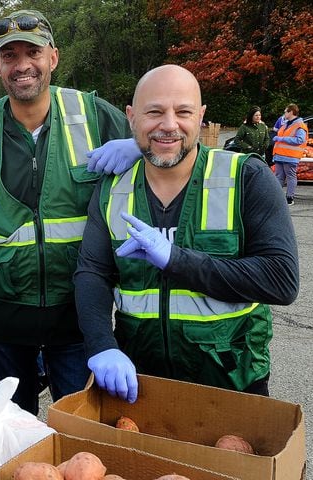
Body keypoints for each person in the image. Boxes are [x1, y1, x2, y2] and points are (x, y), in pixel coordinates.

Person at [0, 9, 132, 415]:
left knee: (80, 435)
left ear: (53, 58)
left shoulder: (93, 115)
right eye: (10, 56)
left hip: (79, 317)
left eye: (32, 53)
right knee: (14, 438)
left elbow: (164, 161)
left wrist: (140, 148)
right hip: (1, 320)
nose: (22, 65)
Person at [74, 65, 299, 404]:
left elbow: (281, 281)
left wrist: (176, 259)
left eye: (183, 112)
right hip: (140, 383)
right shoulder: (112, 188)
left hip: (232, 382)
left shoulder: (247, 177)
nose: (168, 124)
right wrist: (102, 345)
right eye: (154, 112)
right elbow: (92, 272)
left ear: (201, 116)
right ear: (132, 117)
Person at [272, 103, 308, 205]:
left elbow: (299, 140)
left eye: (285, 111)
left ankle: (289, 198)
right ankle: (277, 197)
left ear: (291, 112)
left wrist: (281, 139)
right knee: (279, 176)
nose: (284, 113)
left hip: (290, 156)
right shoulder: (286, 124)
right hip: (280, 155)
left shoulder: (300, 126)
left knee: (290, 177)